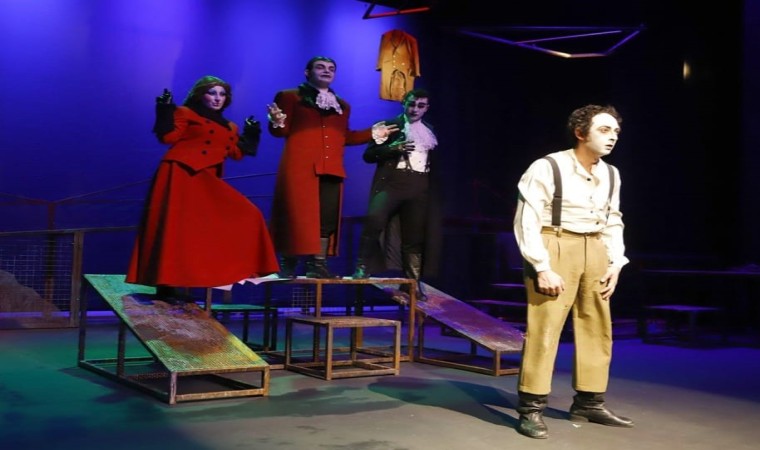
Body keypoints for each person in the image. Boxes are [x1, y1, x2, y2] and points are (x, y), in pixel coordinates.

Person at [512, 104, 634, 439]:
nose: (612, 137)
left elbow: (613, 219)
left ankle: (589, 401)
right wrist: (541, 266)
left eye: (615, 131)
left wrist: (616, 262)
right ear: (581, 133)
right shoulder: (548, 166)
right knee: (546, 327)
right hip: (556, 244)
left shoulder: (611, 173)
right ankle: (532, 406)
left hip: (595, 247)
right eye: (604, 130)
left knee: (597, 326)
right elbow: (527, 219)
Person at [126, 76, 279, 299]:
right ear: (201, 95)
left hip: (207, 179)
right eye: (212, 93)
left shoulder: (230, 126)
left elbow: (235, 153)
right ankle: (166, 284)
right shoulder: (186, 113)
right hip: (181, 172)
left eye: (222, 94)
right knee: (175, 229)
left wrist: (251, 134)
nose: (217, 98)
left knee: (249, 214)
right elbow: (168, 137)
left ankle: (234, 271)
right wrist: (165, 110)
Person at [266, 56, 397, 279]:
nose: (327, 71)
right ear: (307, 72)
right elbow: (281, 132)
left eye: (331, 68)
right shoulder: (290, 97)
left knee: (326, 218)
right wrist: (276, 120)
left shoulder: (342, 105)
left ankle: (317, 264)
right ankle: (288, 263)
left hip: (331, 168)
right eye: (320, 67)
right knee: (296, 215)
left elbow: (345, 137)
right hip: (300, 167)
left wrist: (373, 134)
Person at [351, 89, 441, 299]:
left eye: (420, 106)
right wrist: (392, 148)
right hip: (393, 183)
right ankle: (362, 268)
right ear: (404, 103)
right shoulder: (387, 125)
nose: (415, 109)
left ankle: (412, 282)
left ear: (426, 108)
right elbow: (368, 155)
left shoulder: (429, 129)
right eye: (412, 104)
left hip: (419, 185)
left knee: (414, 236)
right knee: (374, 221)